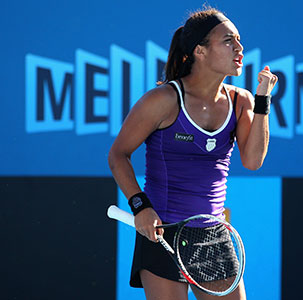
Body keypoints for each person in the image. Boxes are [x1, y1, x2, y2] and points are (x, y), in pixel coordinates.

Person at [108, 7, 278, 300]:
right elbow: (118, 155)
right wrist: (140, 206)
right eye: (228, 40)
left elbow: (253, 161)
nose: (239, 48)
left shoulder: (242, 101)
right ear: (200, 51)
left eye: (238, 40)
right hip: (163, 232)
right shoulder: (162, 100)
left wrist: (262, 100)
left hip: (213, 234)